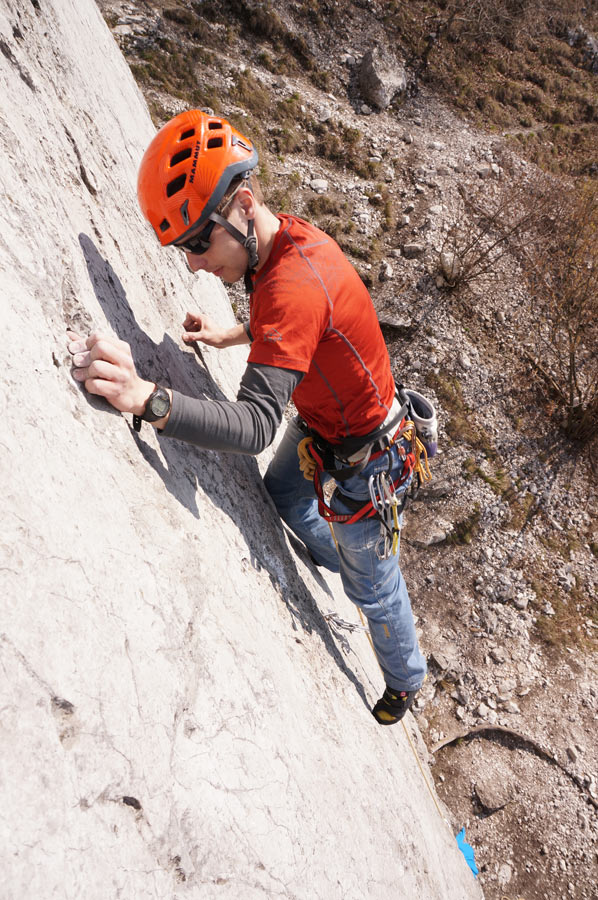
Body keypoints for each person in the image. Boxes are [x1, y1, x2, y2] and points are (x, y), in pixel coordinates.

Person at [68, 109, 427, 725]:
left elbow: (257, 424)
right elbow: (293, 325)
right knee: (284, 494)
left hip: (371, 456)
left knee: (372, 585)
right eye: (185, 248)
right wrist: (234, 334)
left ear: (242, 204)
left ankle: (407, 679)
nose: (194, 263)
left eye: (198, 242)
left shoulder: (292, 284)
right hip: (325, 422)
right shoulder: (278, 243)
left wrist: (148, 399)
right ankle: (337, 554)